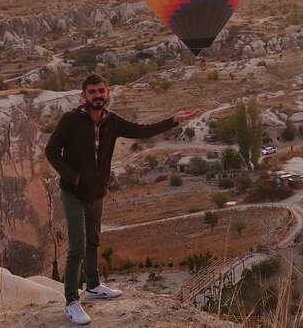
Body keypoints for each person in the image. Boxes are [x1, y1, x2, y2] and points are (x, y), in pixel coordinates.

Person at [45, 73, 201, 325]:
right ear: (83, 95)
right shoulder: (70, 120)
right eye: (92, 91)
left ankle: (93, 286)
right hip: (73, 193)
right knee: (77, 247)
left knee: (94, 242)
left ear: (108, 93)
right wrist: (73, 177)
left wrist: (173, 120)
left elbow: (142, 131)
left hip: (97, 192)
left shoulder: (112, 121)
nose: (97, 95)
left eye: (101, 91)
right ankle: (71, 301)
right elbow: (50, 150)